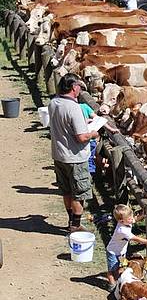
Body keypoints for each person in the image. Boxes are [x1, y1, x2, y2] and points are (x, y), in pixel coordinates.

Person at [48, 73, 99, 232]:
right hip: (75, 157)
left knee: (66, 190)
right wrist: (93, 133)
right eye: (79, 86)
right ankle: (76, 225)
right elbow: (82, 137)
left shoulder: (53, 103)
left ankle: (71, 220)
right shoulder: (73, 107)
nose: (80, 89)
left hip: (59, 154)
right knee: (79, 192)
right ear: (73, 87)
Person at [106, 204, 147, 290]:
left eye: (131, 216)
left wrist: (143, 215)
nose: (131, 219)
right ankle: (112, 285)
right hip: (113, 252)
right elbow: (136, 239)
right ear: (121, 221)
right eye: (129, 218)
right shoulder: (122, 230)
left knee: (120, 267)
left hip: (121, 252)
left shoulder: (127, 221)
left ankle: (117, 280)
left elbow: (135, 219)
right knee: (112, 269)